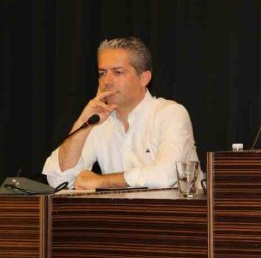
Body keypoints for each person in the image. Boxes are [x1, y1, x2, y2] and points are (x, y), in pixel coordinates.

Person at [43, 37, 199, 190]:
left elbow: (166, 175)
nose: (107, 81)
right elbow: (58, 178)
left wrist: (100, 181)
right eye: (102, 73)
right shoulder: (99, 122)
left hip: (175, 207)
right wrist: (83, 121)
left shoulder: (170, 114)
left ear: (144, 78)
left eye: (118, 72)